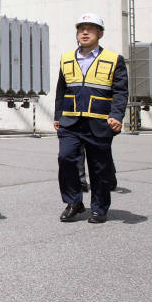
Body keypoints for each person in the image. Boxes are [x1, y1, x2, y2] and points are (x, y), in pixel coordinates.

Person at [54, 13, 128, 224]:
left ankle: (99, 207)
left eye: (91, 28)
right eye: (81, 29)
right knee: (66, 158)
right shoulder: (67, 58)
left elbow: (121, 92)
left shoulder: (114, 60)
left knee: (99, 166)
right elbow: (62, 90)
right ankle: (74, 202)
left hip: (99, 122)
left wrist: (116, 115)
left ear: (100, 33)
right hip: (70, 121)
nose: (85, 32)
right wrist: (58, 115)